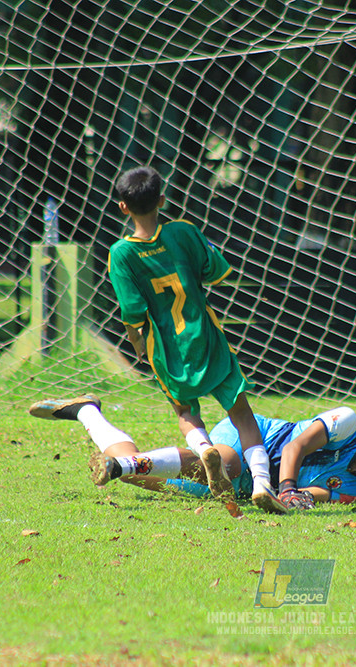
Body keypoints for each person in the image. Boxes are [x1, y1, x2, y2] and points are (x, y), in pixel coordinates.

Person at [102, 166, 284, 514]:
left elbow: (132, 312)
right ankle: (263, 484)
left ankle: (204, 451)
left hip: (169, 349)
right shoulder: (184, 231)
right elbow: (215, 270)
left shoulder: (121, 254)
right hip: (207, 338)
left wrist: (137, 344)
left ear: (123, 207)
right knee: (242, 416)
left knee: (186, 412)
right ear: (162, 200)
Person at [28, 395, 356, 510]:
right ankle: (201, 456)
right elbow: (295, 446)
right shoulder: (350, 423)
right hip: (251, 441)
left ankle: (87, 411)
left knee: (139, 476)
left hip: (244, 491)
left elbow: (319, 496)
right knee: (222, 463)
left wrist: (296, 501)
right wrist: (286, 486)